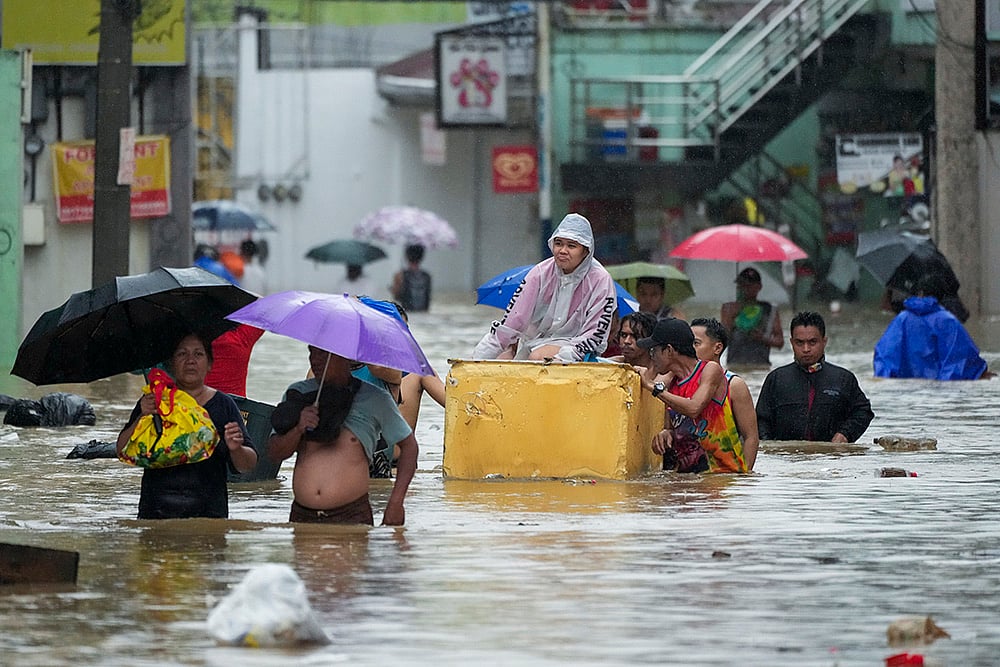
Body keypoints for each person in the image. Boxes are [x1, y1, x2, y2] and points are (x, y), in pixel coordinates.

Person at [268, 346, 418, 526]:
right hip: (301, 516)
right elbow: (274, 453)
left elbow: (410, 447)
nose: (315, 360)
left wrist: (396, 502)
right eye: (312, 352)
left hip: (351, 516)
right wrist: (299, 428)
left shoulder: (374, 398)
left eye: (324, 354)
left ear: (345, 358)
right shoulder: (298, 394)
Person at [116, 333, 259, 519]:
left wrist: (236, 448)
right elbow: (121, 450)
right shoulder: (154, 401)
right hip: (156, 512)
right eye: (182, 354)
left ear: (209, 365)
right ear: (171, 364)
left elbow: (248, 466)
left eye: (198, 354)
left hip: (209, 515)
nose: (190, 360)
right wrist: (141, 416)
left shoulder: (224, 404)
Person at [473, 213, 617, 362]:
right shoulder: (539, 273)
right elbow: (512, 321)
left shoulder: (601, 280)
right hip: (535, 343)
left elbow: (595, 334)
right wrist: (475, 361)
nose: (563, 250)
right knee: (500, 359)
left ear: (586, 251)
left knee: (538, 356)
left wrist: (565, 356)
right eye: (559, 243)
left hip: (578, 348)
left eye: (571, 246)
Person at [636, 318, 748, 473]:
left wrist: (650, 386)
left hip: (723, 478)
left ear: (669, 350)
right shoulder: (671, 383)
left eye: (653, 350)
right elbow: (675, 424)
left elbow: (694, 408)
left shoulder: (709, 370)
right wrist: (667, 434)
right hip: (691, 480)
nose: (651, 356)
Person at [756, 311, 874, 442]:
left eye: (812, 342)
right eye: (799, 343)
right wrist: (772, 449)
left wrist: (845, 434)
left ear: (824, 342)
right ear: (791, 343)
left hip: (829, 459)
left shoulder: (843, 379)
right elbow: (761, 421)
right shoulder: (776, 379)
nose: (806, 349)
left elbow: (863, 412)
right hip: (787, 458)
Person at [873, 279, 991, 381]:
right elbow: (962, 362)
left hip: (905, 393)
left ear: (919, 293)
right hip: (940, 393)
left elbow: (885, 358)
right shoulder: (948, 320)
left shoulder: (901, 319)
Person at [689, 317, 759, 471]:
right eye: (688, 343)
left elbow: (751, 437)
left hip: (725, 476)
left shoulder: (734, 385)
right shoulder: (680, 383)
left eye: (696, 343)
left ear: (717, 348)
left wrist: (743, 475)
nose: (689, 348)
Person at [720, 267, 783, 367]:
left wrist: (762, 338)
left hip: (760, 366)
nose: (743, 289)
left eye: (748, 286)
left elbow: (780, 342)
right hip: (734, 366)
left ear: (759, 287)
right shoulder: (728, 308)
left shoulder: (769, 310)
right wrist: (731, 318)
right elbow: (722, 339)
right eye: (741, 285)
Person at [205, 324, 265, 397]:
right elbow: (265, 316)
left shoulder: (192, 337)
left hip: (192, 402)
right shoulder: (242, 337)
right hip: (235, 403)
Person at [392, 244, 432, 312]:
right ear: (422, 257)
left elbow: (396, 297)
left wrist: (393, 289)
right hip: (424, 314)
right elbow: (428, 298)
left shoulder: (400, 275)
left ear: (406, 256)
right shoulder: (427, 276)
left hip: (408, 314)